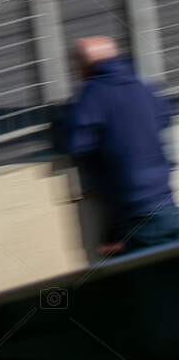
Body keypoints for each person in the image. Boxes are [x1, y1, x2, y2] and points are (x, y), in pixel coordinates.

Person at [61, 36, 178, 256]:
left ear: (84, 65)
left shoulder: (91, 96)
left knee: (154, 287)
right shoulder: (145, 87)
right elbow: (164, 118)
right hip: (168, 207)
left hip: (137, 219)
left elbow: (76, 146)